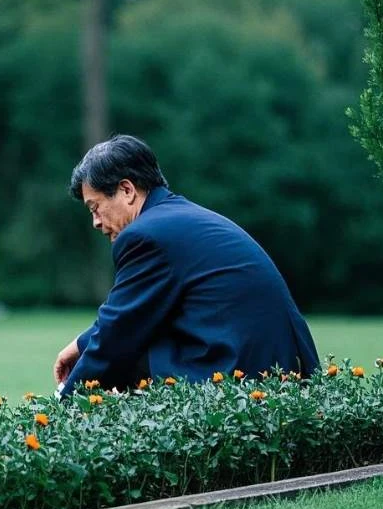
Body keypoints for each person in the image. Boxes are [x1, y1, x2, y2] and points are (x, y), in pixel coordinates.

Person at [53, 134, 320, 396]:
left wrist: (63, 406)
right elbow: (132, 314)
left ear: (127, 190)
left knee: (131, 353)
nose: (96, 222)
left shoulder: (145, 235)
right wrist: (81, 344)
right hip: (276, 367)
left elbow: (118, 332)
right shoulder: (172, 218)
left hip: (242, 377)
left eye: (95, 207)